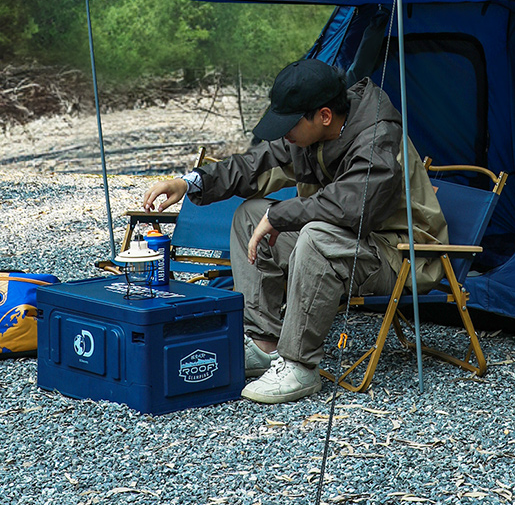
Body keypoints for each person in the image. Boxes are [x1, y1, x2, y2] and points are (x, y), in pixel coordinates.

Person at [143, 58, 448, 404]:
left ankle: (299, 365)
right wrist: (190, 182)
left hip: (400, 255)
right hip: (351, 244)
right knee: (250, 215)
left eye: (290, 123)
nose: (284, 132)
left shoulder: (379, 139)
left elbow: (351, 208)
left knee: (314, 236)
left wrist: (280, 215)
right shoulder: (310, 136)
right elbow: (254, 165)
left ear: (324, 115)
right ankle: (263, 345)